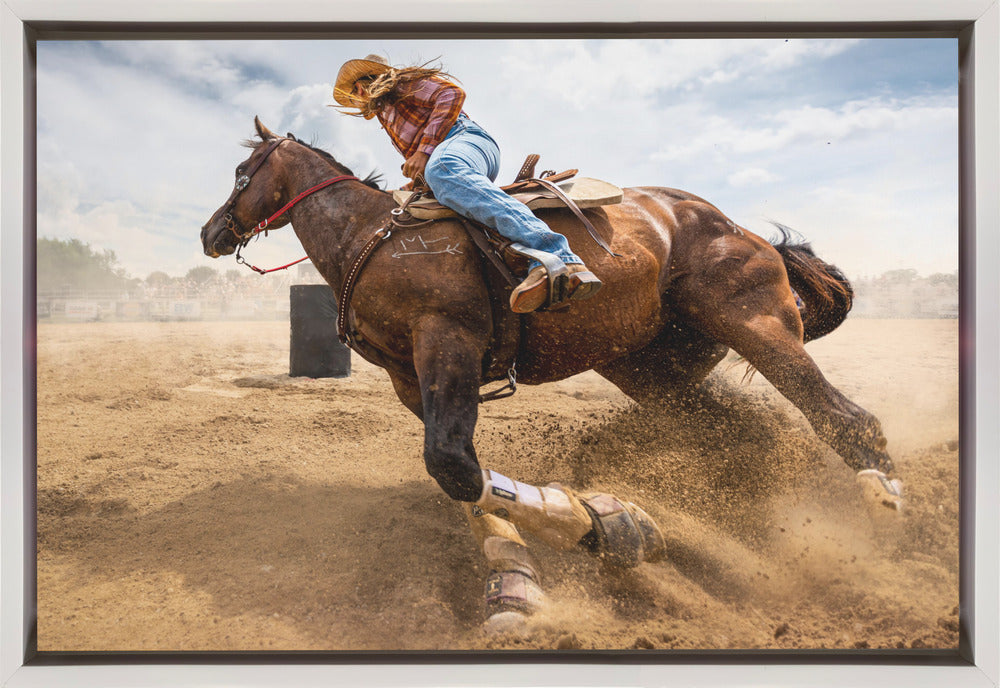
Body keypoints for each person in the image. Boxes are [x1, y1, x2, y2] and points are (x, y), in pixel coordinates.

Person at [332, 54, 602, 313]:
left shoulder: (402, 84)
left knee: (444, 168)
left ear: (360, 87)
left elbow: (451, 94)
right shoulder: (387, 114)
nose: (356, 100)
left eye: (354, 93)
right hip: (448, 154)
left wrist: (424, 152)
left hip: (465, 139)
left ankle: (557, 253)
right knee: (427, 189)